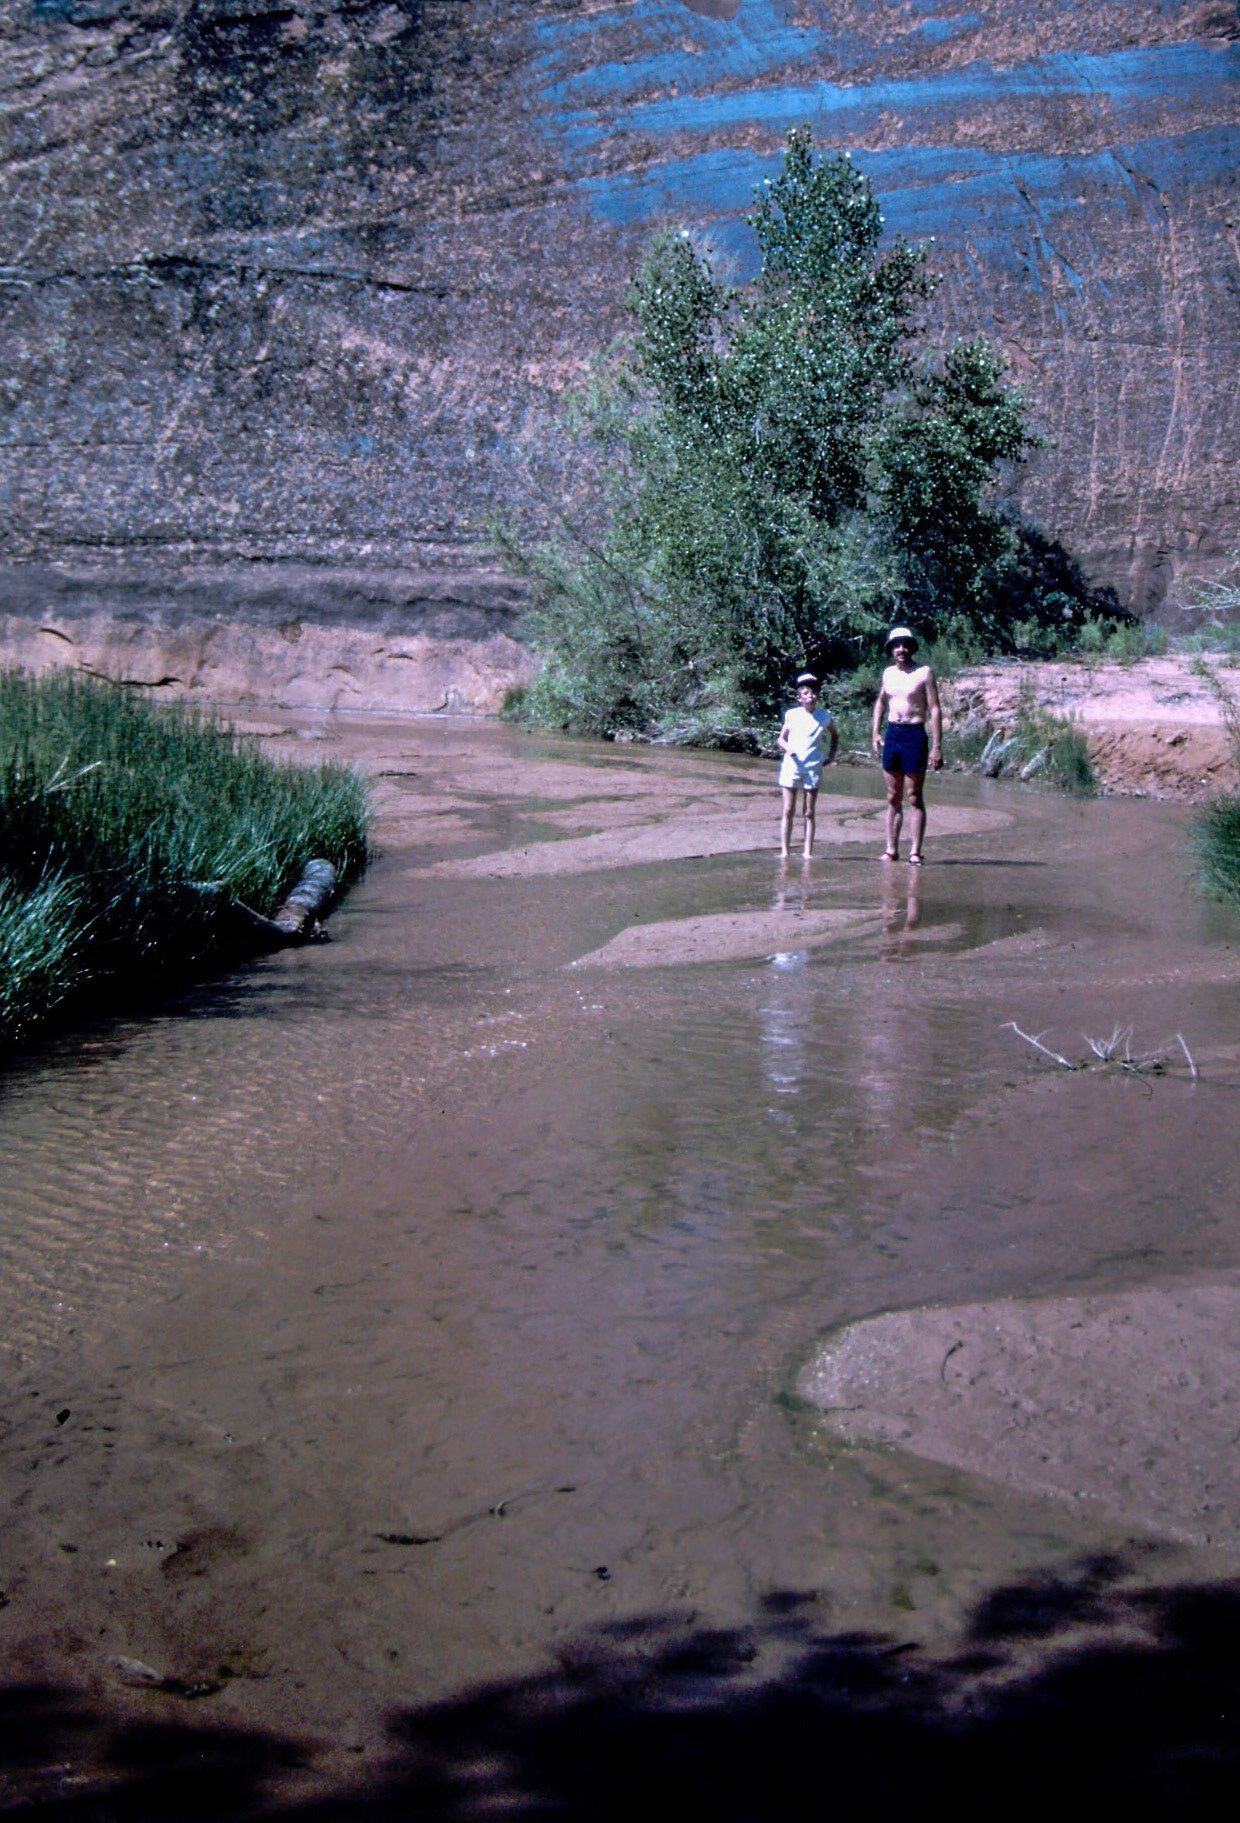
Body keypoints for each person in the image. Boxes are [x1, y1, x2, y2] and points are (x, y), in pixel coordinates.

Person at [871, 626, 942, 865]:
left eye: (905, 645)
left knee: (913, 796)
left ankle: (915, 851)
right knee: (892, 796)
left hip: (914, 734)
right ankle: (891, 849)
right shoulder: (888, 673)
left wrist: (937, 745)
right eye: (896, 645)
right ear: (891, 649)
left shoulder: (924, 673)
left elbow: (934, 708)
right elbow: (881, 702)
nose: (901, 649)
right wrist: (875, 733)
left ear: (911, 647)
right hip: (893, 734)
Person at [777, 671, 838, 859]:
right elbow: (781, 738)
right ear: (799, 698)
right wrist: (788, 748)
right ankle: (785, 852)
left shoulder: (824, 716)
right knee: (788, 809)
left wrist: (830, 756)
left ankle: (807, 853)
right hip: (792, 765)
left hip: (813, 767)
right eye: (805, 693)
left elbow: (835, 736)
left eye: (813, 692)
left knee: (809, 812)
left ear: (818, 695)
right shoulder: (792, 715)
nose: (810, 696)